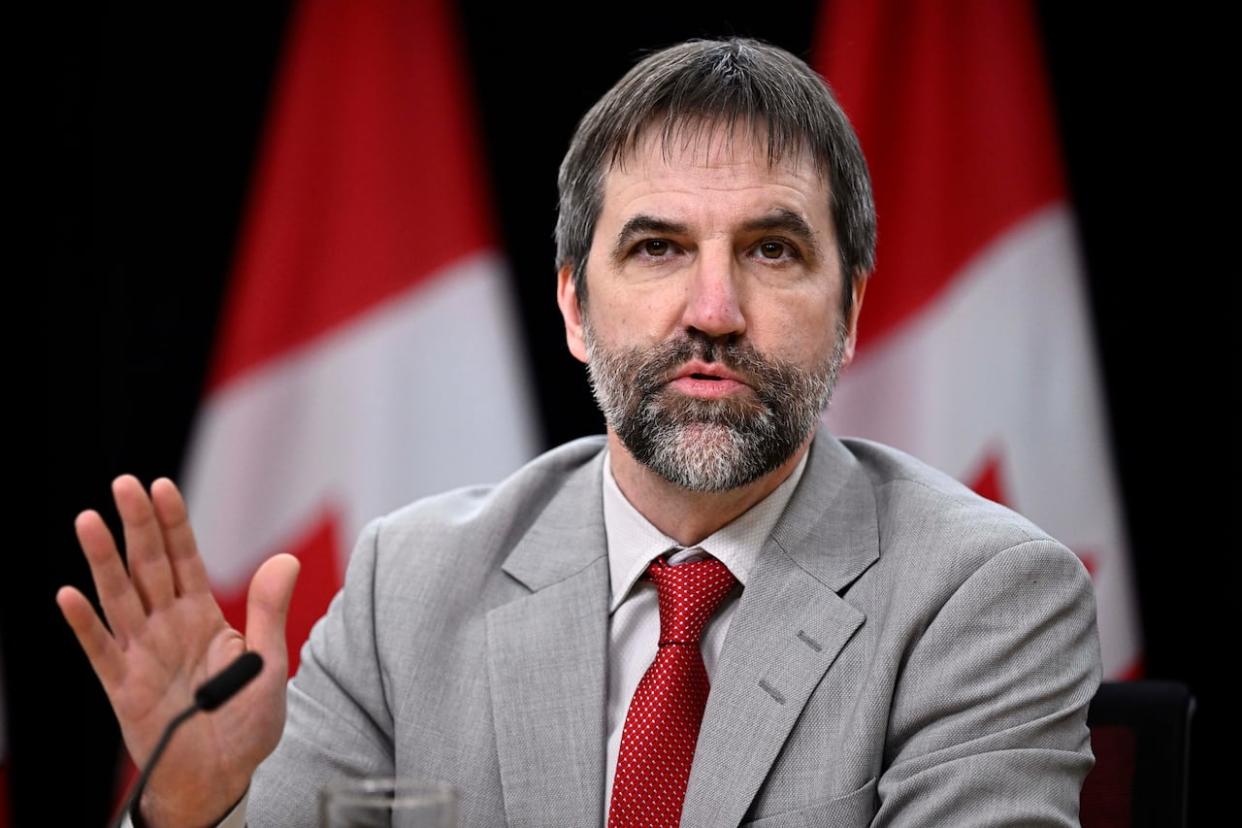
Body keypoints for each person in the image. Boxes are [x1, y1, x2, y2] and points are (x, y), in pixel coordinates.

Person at [59, 38, 1100, 828]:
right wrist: (188, 809)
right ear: (571, 305)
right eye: (656, 248)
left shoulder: (988, 596)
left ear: (853, 307)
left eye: (774, 251)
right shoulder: (409, 584)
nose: (713, 309)